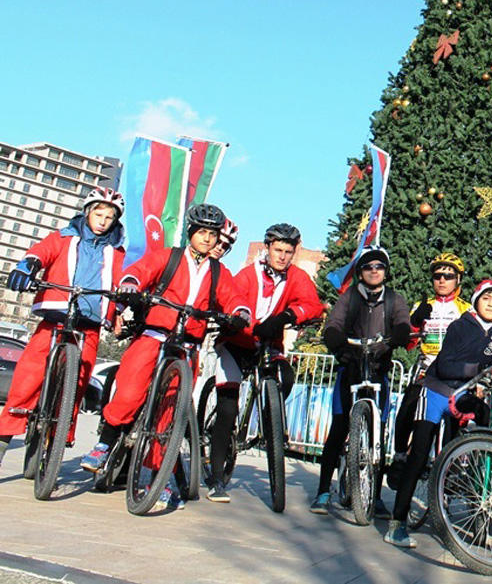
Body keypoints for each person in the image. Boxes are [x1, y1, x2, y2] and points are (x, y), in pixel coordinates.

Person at [82, 203, 248, 505]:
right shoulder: (168, 257)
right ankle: (104, 444)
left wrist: (240, 312)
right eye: (202, 233)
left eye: (213, 235)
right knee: (130, 390)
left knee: (169, 415)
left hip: (187, 347)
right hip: (154, 336)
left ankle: (160, 477)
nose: (208, 240)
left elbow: (233, 296)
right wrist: (131, 284)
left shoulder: (218, 271)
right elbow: (140, 271)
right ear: (191, 233)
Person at [0, 188, 126, 465]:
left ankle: (55, 440)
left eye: (110, 217)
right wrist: (28, 265)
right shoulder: (64, 238)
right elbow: (41, 252)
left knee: (79, 381)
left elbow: (125, 281)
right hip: (56, 315)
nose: (103, 220)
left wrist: (126, 302)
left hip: (90, 323)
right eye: (99, 213)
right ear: (87, 212)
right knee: (29, 376)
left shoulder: (117, 253)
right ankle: (4, 438)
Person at [386, 279, 492, 549]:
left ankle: (473, 513)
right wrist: (477, 369)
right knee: (419, 454)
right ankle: (397, 522)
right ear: (476, 300)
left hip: (467, 396)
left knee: (476, 451)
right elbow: (445, 364)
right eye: (487, 298)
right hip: (437, 391)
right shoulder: (460, 326)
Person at [205, 222, 324, 502]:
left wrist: (288, 316)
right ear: (267, 248)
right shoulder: (248, 275)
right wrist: (252, 326)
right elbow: (231, 303)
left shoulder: (296, 276)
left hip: (269, 346)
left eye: (288, 251)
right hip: (236, 344)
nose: (282, 256)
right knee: (227, 408)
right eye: (278, 250)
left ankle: (269, 421)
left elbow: (312, 303)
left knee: (287, 377)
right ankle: (215, 476)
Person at [310, 246, 410, 515]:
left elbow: (403, 321)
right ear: (360, 272)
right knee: (339, 427)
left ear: (385, 271)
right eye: (368, 267)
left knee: (380, 432)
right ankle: (322, 491)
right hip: (351, 366)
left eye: (379, 267)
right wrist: (335, 338)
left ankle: (374, 496)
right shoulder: (350, 297)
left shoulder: (393, 299)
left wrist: (400, 332)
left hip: (379, 369)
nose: (374, 271)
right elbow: (335, 323)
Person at [389, 251, 471, 472]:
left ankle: (450, 469)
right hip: (427, 367)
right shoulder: (421, 305)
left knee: (456, 421)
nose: (442, 280)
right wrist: (415, 323)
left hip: (455, 372)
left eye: (448, 276)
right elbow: (407, 344)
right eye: (437, 276)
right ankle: (399, 457)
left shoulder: (466, 309)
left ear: (458, 280)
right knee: (407, 408)